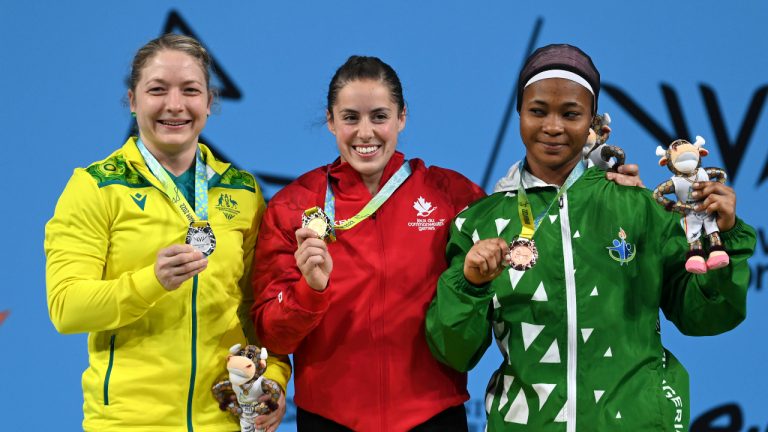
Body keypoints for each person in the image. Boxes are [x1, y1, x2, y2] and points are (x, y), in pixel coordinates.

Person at [425, 44, 756, 431]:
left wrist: (727, 236)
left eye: (570, 114)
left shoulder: (640, 206)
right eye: (537, 111)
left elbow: (709, 315)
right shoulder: (481, 223)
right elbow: (453, 351)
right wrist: (470, 284)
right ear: (519, 114)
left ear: (593, 123)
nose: (553, 127)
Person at [45, 34, 290, 432]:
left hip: (223, 422)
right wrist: (151, 282)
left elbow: (259, 309)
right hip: (129, 422)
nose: (174, 105)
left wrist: (274, 379)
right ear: (133, 101)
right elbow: (67, 307)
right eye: (157, 90)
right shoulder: (95, 187)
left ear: (209, 103)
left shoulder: (241, 190)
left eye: (190, 91)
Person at [251, 55, 486, 431]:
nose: (365, 133)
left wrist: (604, 183)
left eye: (379, 116)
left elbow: (525, 239)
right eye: (350, 118)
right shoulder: (294, 205)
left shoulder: (452, 196)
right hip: (330, 419)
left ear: (401, 117)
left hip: (432, 417)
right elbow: (271, 332)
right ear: (330, 121)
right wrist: (310, 290)